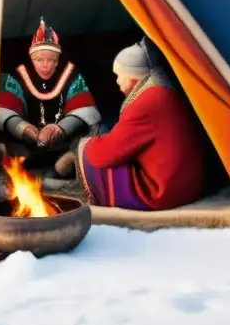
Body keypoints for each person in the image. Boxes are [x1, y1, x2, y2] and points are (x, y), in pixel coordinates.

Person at [74, 40, 206, 211]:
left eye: (119, 75)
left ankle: (79, 188)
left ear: (132, 76)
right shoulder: (162, 90)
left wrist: (83, 147)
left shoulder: (147, 101)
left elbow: (105, 154)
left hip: (165, 191)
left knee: (88, 153)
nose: (118, 82)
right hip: (189, 185)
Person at [0, 18, 102, 179]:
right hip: (26, 145)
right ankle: (14, 176)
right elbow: (3, 112)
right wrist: (25, 129)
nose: (45, 65)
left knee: (96, 129)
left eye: (51, 60)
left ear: (58, 60)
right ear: (31, 58)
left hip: (64, 143)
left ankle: (66, 166)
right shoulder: (18, 76)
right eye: (39, 60)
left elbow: (86, 110)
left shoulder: (70, 75)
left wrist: (59, 129)